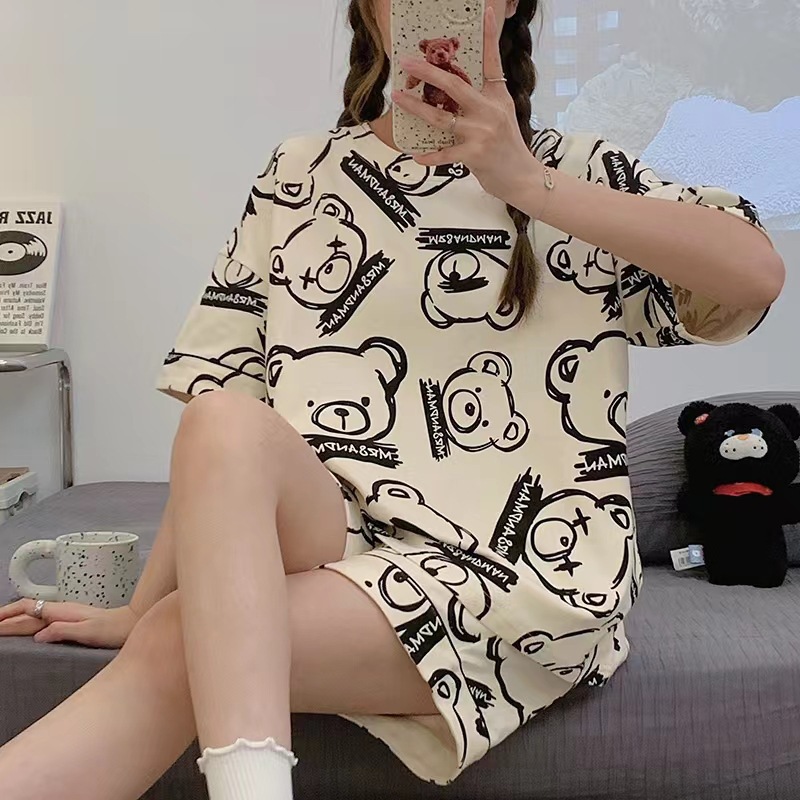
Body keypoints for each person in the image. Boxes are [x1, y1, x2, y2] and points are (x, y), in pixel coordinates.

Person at [0, 1, 785, 799]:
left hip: (523, 574)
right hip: (336, 538)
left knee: (181, 636)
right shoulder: (297, 173)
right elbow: (223, 432)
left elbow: (754, 276)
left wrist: (524, 182)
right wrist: (140, 606)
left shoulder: (579, 170)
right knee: (220, 420)